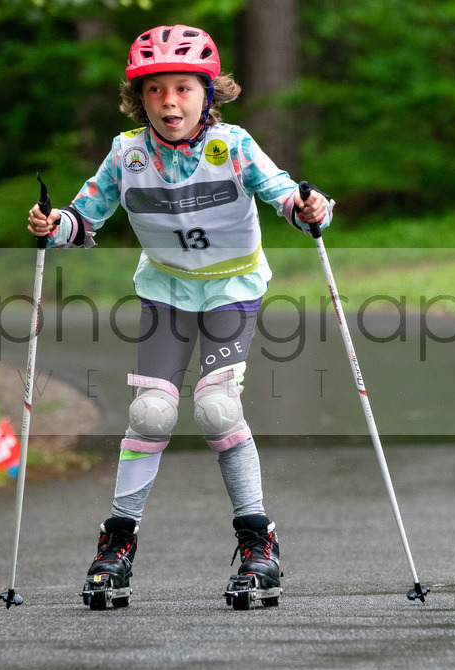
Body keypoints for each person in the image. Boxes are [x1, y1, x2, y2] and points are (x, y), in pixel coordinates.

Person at [27, 24, 331, 608]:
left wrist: (310, 208)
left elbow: (287, 197)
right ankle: (116, 545)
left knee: (217, 407)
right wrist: (51, 226)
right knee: (151, 413)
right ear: (137, 98)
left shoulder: (235, 146)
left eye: (185, 89)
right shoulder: (127, 155)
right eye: (156, 90)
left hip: (230, 287)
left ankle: (258, 544)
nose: (170, 102)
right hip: (166, 290)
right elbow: (83, 218)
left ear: (209, 94)